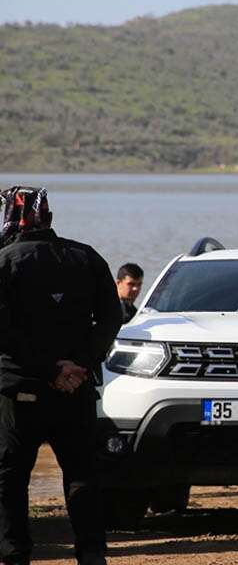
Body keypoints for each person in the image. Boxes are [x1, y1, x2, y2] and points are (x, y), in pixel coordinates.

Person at [0, 186, 122, 565]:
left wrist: (48, 369)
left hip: (22, 389)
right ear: (48, 218)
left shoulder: (5, 260)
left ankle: (14, 554)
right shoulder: (86, 257)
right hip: (77, 388)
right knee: (82, 471)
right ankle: (91, 551)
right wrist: (78, 365)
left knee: (10, 477)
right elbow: (111, 317)